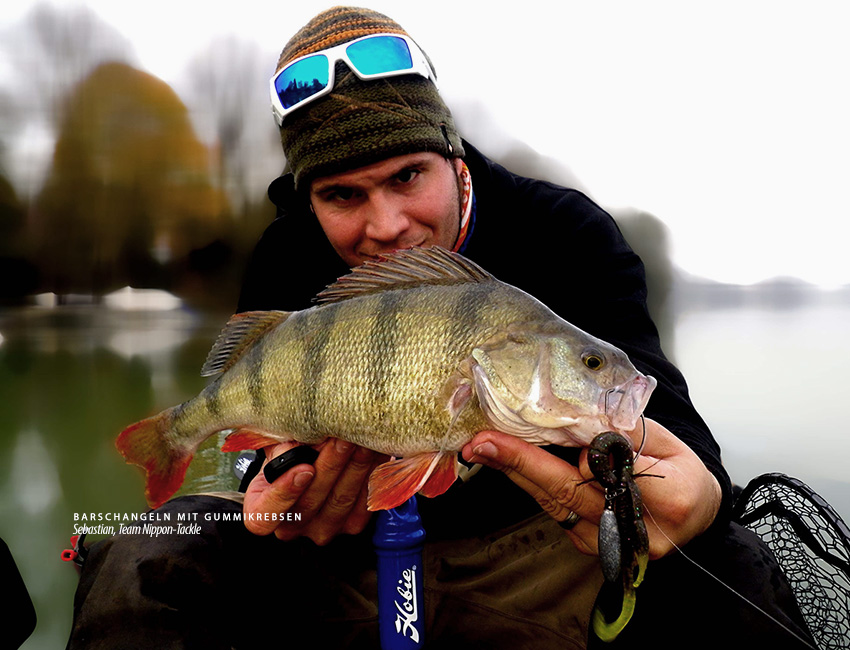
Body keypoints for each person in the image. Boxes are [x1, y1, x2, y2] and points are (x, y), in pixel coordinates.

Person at [66, 7, 815, 649]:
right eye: (341, 195)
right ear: (308, 197)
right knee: (149, 552)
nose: (385, 225)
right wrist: (279, 488)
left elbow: (668, 419)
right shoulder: (286, 253)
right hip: (343, 563)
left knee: (727, 560)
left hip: (543, 552)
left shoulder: (565, 233)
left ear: (452, 157)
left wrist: (698, 496)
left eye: (406, 177)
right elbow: (262, 452)